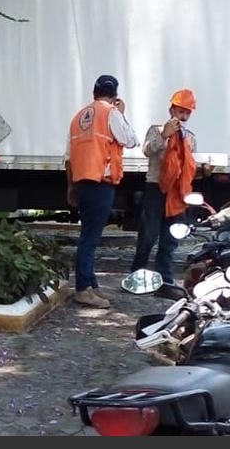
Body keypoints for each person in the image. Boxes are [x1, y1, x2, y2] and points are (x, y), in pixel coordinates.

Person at [66, 74, 139, 308]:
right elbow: (130, 140)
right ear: (115, 95)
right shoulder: (111, 113)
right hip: (101, 182)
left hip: (82, 183)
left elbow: (67, 159)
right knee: (90, 238)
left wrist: (71, 186)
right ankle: (83, 290)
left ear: (93, 93)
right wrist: (122, 113)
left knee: (88, 234)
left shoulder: (78, 117)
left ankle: (91, 284)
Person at [130, 89, 201, 284]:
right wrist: (163, 136)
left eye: (187, 112)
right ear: (171, 109)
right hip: (156, 188)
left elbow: (189, 165)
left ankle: (164, 276)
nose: (183, 116)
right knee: (149, 234)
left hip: (178, 192)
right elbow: (146, 150)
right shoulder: (156, 129)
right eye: (180, 111)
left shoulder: (190, 137)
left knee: (171, 236)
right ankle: (137, 272)